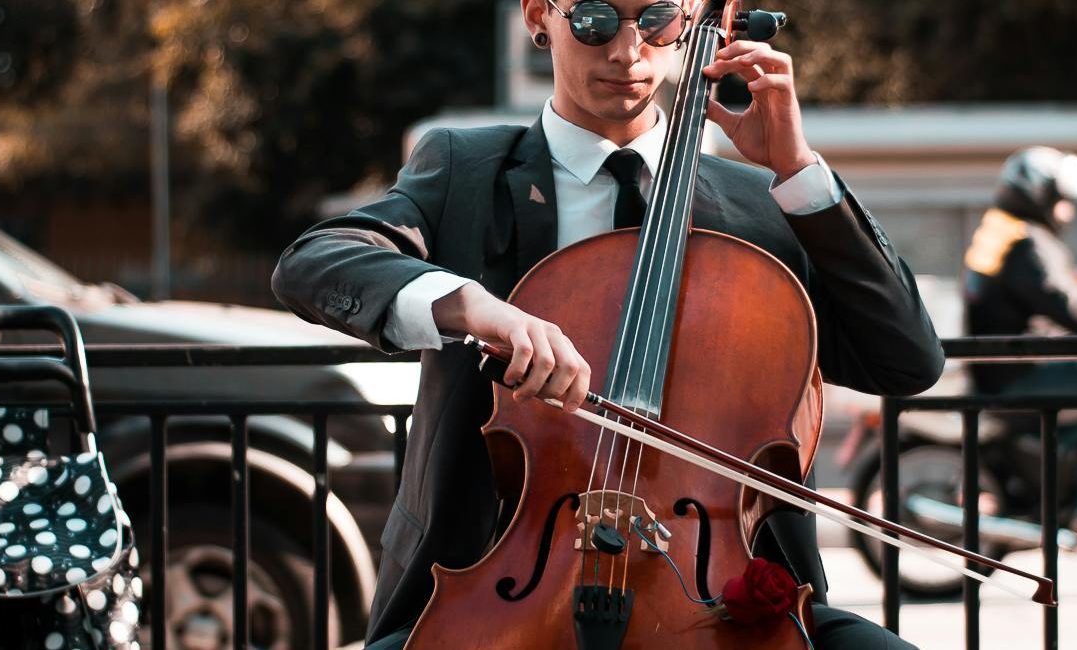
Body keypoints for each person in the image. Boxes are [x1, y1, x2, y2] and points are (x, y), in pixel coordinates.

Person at [273, 1, 944, 647]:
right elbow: (316, 261)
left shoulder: (758, 205)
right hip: (498, 591)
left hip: (720, 599)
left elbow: (904, 359)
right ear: (540, 15)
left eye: (655, 19)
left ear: (691, 19)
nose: (627, 51)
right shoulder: (465, 171)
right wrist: (473, 305)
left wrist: (798, 172)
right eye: (594, 20)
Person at [963, 146, 1077, 544]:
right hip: (1017, 373)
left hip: (1005, 367)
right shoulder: (1025, 244)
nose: (1066, 211)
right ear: (1039, 195)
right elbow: (1069, 306)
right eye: (1061, 200)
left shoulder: (1005, 232)